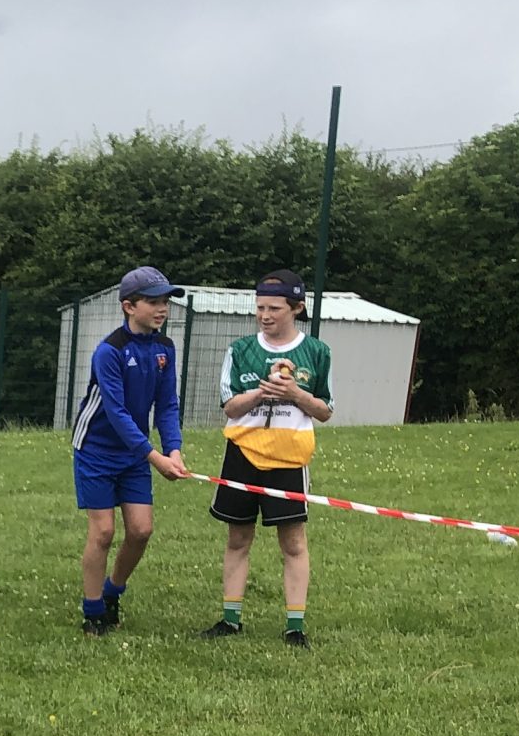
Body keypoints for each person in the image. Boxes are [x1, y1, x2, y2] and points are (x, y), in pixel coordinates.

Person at [202, 270, 333, 648]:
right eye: (260, 307)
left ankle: (295, 627)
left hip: (289, 458)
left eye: (274, 308)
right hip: (242, 454)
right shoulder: (240, 350)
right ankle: (230, 620)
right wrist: (260, 394)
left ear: (296, 308)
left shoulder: (317, 352)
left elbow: (325, 410)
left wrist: (296, 394)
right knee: (238, 537)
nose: (265, 315)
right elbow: (230, 406)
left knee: (293, 542)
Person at [69, 264, 192, 635]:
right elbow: (117, 413)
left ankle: (112, 592)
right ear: (128, 306)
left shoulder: (165, 348)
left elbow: (167, 405)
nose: (162, 308)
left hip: (133, 452)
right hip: (96, 449)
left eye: (165, 301)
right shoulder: (110, 351)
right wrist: (154, 457)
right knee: (103, 532)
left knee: (140, 531)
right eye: (153, 302)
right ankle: (93, 612)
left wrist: (174, 450)